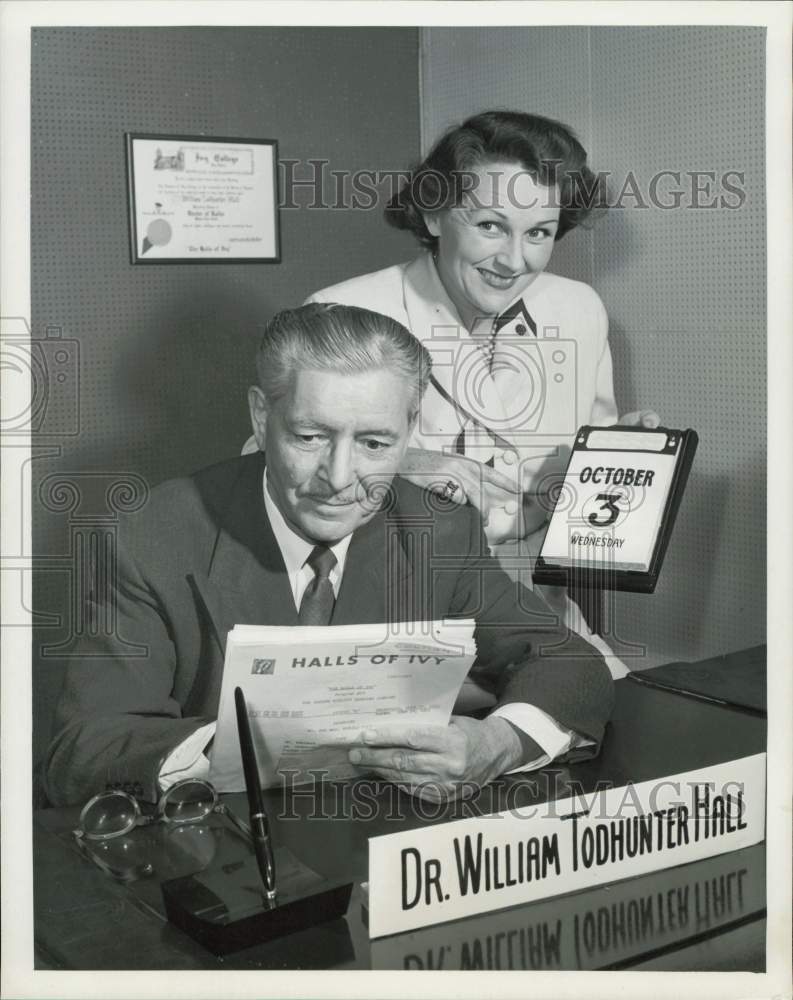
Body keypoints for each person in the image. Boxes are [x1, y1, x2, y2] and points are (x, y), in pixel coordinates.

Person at [44, 303, 613, 809]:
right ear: (261, 418)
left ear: (410, 431)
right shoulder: (150, 533)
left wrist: (497, 743)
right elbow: (83, 752)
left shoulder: (436, 527)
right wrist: (246, 750)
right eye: (311, 436)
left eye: (374, 443)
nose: (340, 479)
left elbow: (570, 662)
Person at [300, 111, 660, 674]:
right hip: (398, 609)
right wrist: (402, 461)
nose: (515, 260)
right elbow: (270, 470)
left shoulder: (578, 308)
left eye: (538, 233)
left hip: (539, 603)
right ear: (435, 213)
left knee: (619, 722)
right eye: (491, 225)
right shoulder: (345, 312)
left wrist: (618, 460)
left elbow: (583, 473)